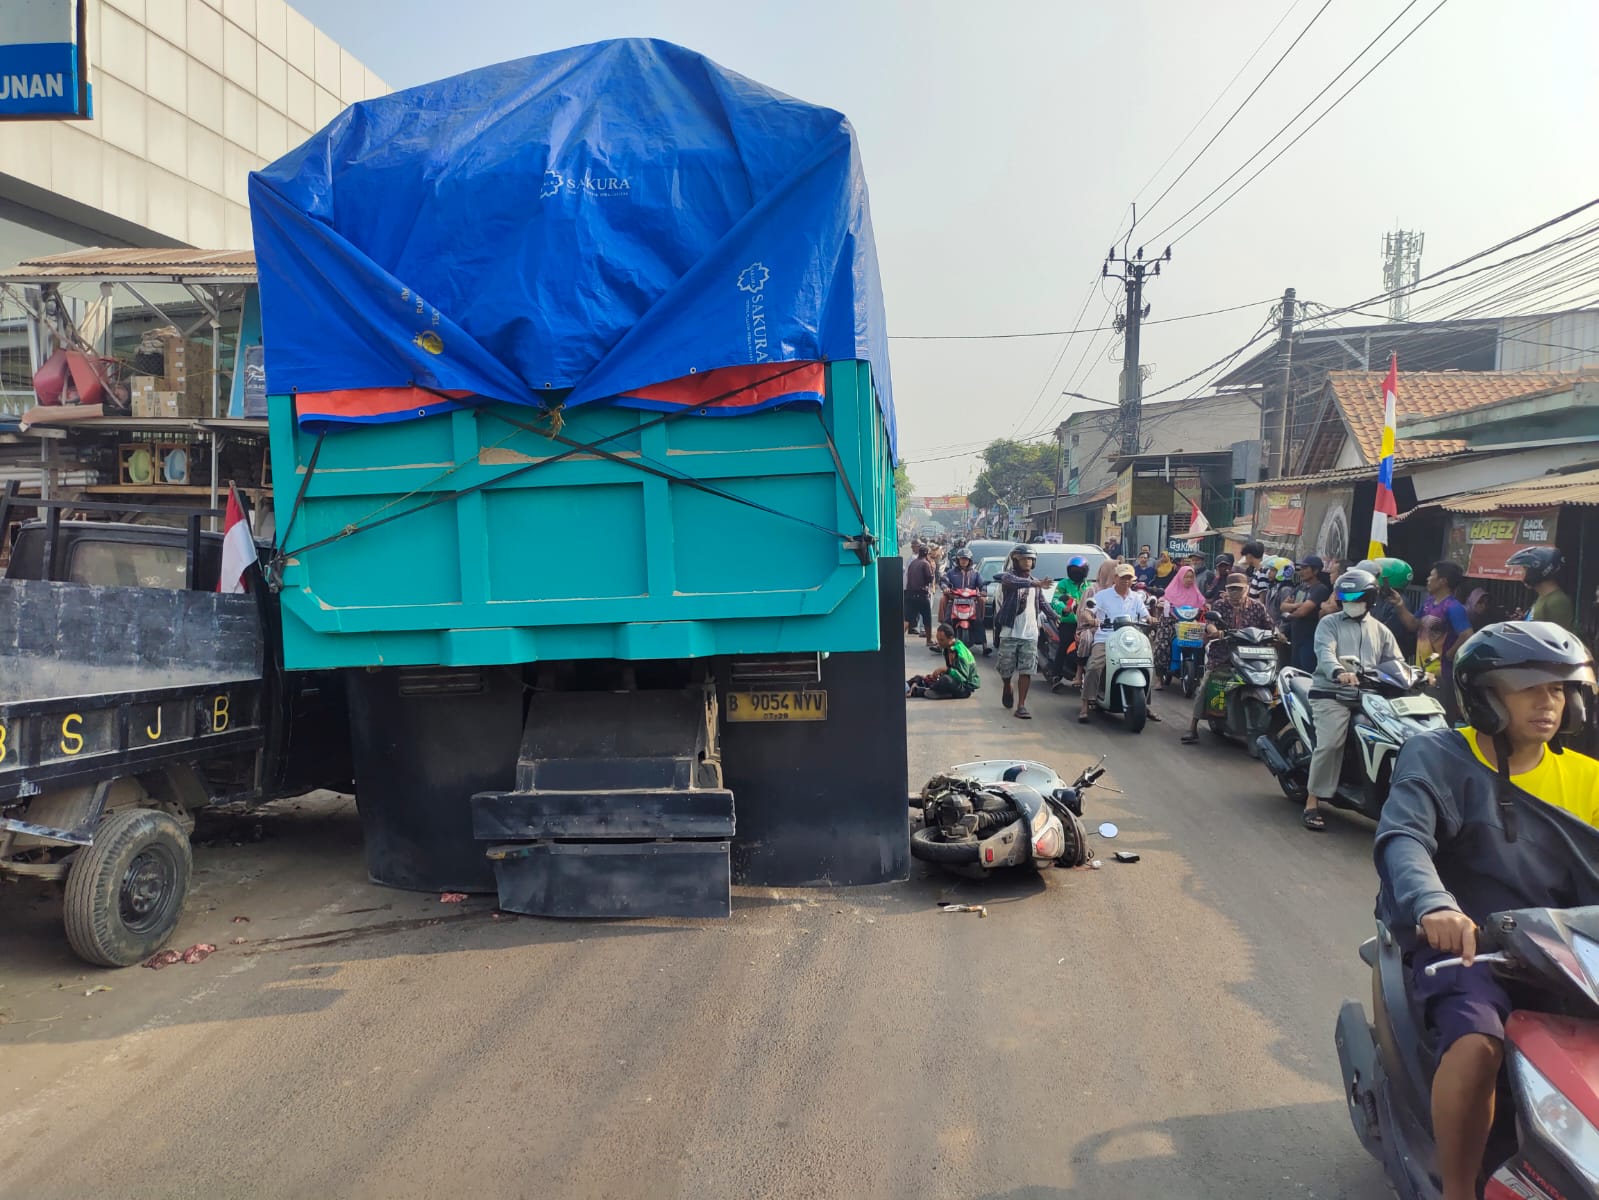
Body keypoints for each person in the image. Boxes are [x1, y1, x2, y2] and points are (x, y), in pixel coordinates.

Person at [1374, 621, 1599, 1200]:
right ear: (1484, 697)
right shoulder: (1437, 756)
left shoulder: (1587, 777)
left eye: (1557, 690)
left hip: (1569, 952)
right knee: (1476, 1043)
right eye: (1528, 688)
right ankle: (1457, 1190)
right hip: (1473, 948)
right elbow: (1405, 839)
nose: (1547, 703)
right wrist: (1433, 903)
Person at [1303, 568, 1404, 831]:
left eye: (1357, 598)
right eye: (1346, 599)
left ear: (1370, 600)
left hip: (1371, 696)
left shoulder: (1381, 631)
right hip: (1331, 693)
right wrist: (1338, 671)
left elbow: (1397, 662)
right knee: (1329, 744)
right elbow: (1325, 651)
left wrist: (1416, 676)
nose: (1351, 603)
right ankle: (1312, 800)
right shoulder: (1329, 623)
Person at [1182, 573, 1272, 745]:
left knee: (1272, 684)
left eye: (1239, 589)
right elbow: (1209, 622)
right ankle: (1192, 727)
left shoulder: (1258, 607)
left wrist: (1278, 635)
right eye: (1231, 590)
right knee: (1206, 684)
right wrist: (1214, 630)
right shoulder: (1220, 605)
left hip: (1251, 656)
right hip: (1223, 654)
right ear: (1227, 590)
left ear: (1246, 589)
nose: (1235, 593)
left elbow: (1270, 625)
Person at [1076, 563, 1158, 724]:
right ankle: (1085, 704)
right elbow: (1087, 610)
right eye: (1123, 578)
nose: (1126, 581)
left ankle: (1145, 705)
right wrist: (1091, 619)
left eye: (1129, 578)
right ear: (1115, 578)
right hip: (1106, 638)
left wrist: (1151, 619)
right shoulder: (1102, 595)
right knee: (1094, 666)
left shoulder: (1136, 597)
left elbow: (1145, 614)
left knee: (1147, 664)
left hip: (1130, 638)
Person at [1392, 561, 1473, 721]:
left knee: (1438, 720)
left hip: (1441, 676)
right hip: (1421, 673)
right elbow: (1413, 625)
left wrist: (1450, 653)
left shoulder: (1453, 607)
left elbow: (1468, 634)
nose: (1428, 579)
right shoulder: (1428, 603)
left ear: (1443, 581)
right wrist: (1399, 605)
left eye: (1432, 575)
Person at [993, 545, 1052, 720]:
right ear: (1016, 560)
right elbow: (1014, 583)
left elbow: (1042, 603)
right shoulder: (1009, 578)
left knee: (1027, 670)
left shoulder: (1035, 583)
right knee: (1005, 669)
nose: (1027, 562)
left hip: (1030, 634)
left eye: (1030, 559)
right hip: (1010, 632)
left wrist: (1056, 616)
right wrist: (1036, 583)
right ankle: (1007, 686)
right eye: (1024, 559)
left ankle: (1021, 705)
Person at [1154, 562, 1208, 689]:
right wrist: (1161, 604)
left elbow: (1202, 603)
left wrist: (1206, 607)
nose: (1189, 580)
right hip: (1171, 621)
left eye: (1191, 577)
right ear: (1180, 577)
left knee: (1201, 645)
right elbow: (1163, 599)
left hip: (1190, 623)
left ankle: (1199, 674)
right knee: (1162, 645)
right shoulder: (1171, 591)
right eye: (1186, 577)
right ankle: (1159, 678)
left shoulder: (1196, 593)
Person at [1279, 555, 1331, 672]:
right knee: (1293, 672)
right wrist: (1296, 606)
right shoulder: (1300, 587)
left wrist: (1290, 612)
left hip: (1310, 639)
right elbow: (1283, 606)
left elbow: (1303, 612)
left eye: (1305, 568)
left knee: (1306, 673)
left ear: (1316, 570)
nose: (1301, 571)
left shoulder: (1320, 589)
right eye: (1300, 568)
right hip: (1296, 637)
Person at [1047, 556, 1092, 690]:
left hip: (1086, 624)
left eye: (1079, 570)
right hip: (1069, 623)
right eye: (1073, 570)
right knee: (1064, 645)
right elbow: (1055, 601)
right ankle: (1056, 676)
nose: (1076, 572)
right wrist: (1064, 609)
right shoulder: (1063, 584)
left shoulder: (1089, 586)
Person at [1508, 545, 1576, 633]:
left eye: (1525, 569)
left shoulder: (1557, 601)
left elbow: (1557, 639)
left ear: (1536, 569)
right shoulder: (1543, 597)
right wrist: (1524, 622)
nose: (1522, 574)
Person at [908, 623, 982, 699]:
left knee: (945, 679)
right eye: (938, 639)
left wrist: (946, 670)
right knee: (920, 678)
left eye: (942, 640)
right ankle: (908, 686)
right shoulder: (947, 648)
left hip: (964, 688)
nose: (939, 643)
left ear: (950, 638)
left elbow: (963, 678)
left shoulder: (960, 653)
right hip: (954, 682)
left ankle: (922, 691)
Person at [940, 547, 984, 628]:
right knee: (947, 621)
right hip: (954, 600)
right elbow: (944, 581)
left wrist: (983, 590)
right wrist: (945, 587)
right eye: (961, 559)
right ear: (958, 560)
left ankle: (980, 640)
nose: (964, 561)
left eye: (966, 559)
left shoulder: (975, 573)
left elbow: (982, 584)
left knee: (978, 621)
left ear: (969, 561)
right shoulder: (951, 572)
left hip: (971, 601)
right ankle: (945, 637)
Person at [903, 544, 936, 650]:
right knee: (927, 618)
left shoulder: (913, 563)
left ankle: (898, 640)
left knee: (908, 618)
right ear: (926, 554)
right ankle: (929, 640)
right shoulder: (925, 564)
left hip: (910, 594)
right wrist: (933, 570)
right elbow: (929, 579)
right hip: (921, 595)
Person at [1239, 541, 1273, 609]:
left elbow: (1262, 599)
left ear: (1249, 556)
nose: (1245, 558)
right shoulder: (1256, 571)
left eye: (1245, 556)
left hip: (1257, 612)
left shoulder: (1262, 573)